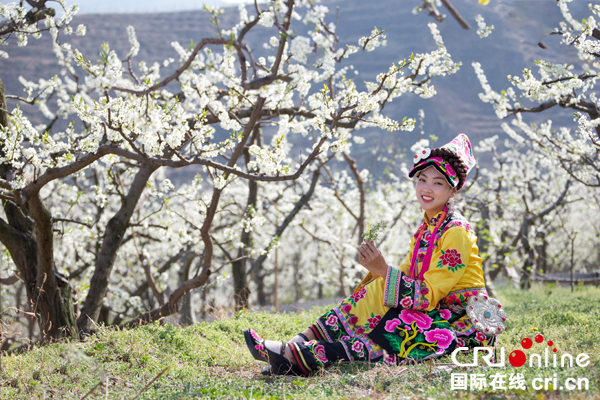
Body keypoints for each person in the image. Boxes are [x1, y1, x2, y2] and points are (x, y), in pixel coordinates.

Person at [244, 134, 498, 376]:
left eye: (438, 182)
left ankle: (291, 356)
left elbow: (428, 295)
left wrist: (383, 271)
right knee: (379, 289)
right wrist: (380, 274)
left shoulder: (456, 232)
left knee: (384, 338)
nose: (427, 188)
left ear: (453, 191)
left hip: (459, 323)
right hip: (432, 311)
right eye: (422, 179)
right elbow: (405, 278)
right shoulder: (426, 229)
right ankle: (292, 347)